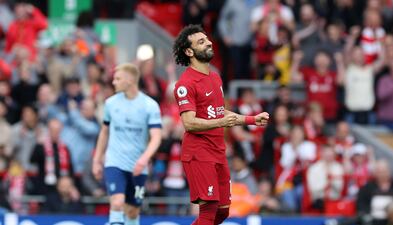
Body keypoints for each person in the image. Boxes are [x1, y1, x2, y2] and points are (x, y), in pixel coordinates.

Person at [172, 24, 269, 225]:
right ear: (189, 51)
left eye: (207, 39)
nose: (208, 42)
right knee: (208, 212)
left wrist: (250, 119)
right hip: (199, 153)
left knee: (223, 212)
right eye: (201, 41)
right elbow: (189, 123)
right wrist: (220, 122)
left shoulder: (214, 77)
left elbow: (218, 112)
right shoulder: (185, 84)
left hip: (218, 152)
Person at [92, 63, 162, 225]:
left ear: (130, 80)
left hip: (138, 166)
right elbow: (104, 132)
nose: (114, 82)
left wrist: (144, 159)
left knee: (132, 211)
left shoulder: (149, 106)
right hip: (114, 162)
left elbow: (156, 137)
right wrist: (97, 159)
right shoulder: (110, 103)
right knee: (117, 202)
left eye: (118, 79)